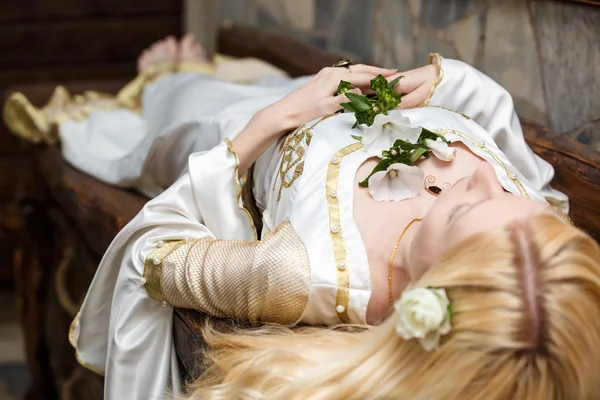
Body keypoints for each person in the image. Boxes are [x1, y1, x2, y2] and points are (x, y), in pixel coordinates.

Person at [3, 35, 588, 399]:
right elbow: (517, 162)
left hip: (239, 127)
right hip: (320, 92)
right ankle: (212, 70)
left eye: (464, 207)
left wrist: (276, 119)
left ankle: (168, 78)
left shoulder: (303, 276)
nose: (485, 176)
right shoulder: (528, 241)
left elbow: (152, 260)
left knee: (179, 103)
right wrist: (447, 81)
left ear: (426, 291)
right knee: (247, 74)